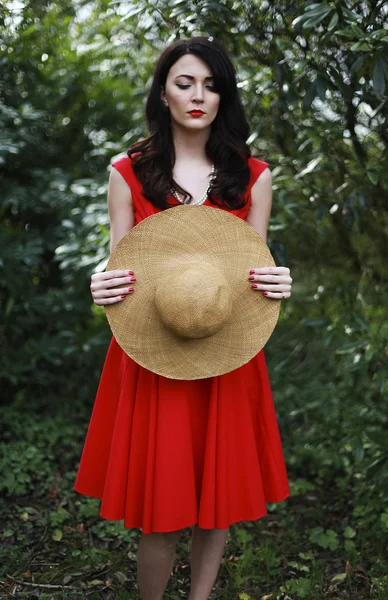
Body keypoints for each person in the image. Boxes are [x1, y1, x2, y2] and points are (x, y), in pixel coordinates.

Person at [74, 36, 293, 600]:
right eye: (185, 82)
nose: (199, 96)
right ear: (163, 92)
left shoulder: (254, 175)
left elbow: (254, 271)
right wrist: (101, 282)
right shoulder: (128, 171)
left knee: (215, 500)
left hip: (225, 351)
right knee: (163, 505)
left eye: (212, 84)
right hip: (154, 351)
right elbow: (121, 266)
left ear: (225, 96)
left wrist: (278, 283)